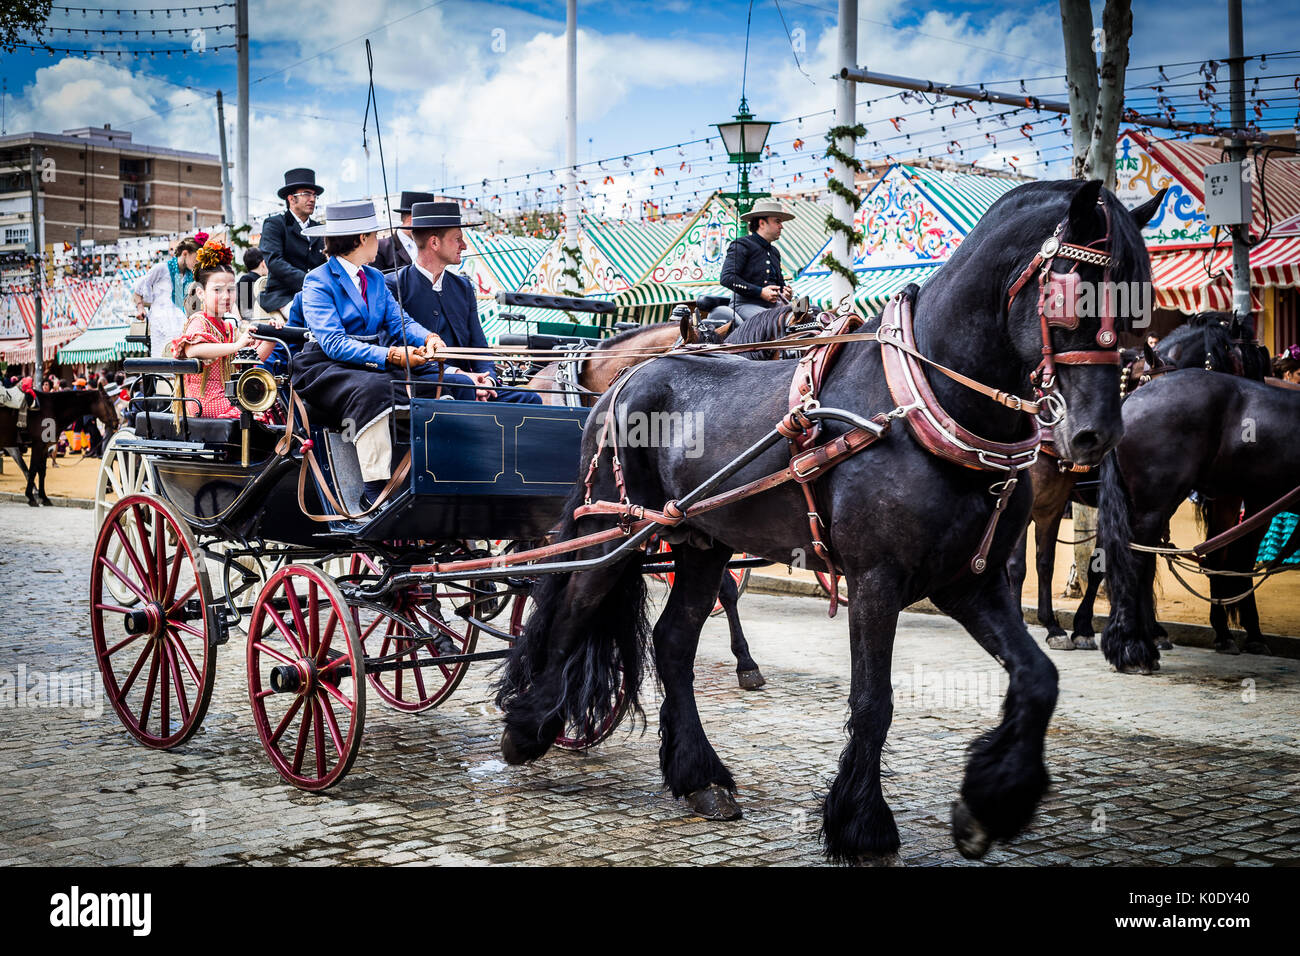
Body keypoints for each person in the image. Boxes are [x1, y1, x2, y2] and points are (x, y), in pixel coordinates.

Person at [293, 199, 447, 511]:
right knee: (376, 389)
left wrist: (430, 338)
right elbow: (333, 343)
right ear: (362, 238)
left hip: (371, 361)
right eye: (375, 234)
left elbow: (399, 320)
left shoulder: (374, 278)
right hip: (325, 366)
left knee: (440, 381)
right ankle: (374, 488)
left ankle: (433, 471)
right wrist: (392, 356)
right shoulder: (318, 281)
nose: (379, 240)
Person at [385, 201, 541, 405]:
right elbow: (395, 351)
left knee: (530, 398)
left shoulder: (462, 287)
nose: (464, 246)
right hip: (424, 385)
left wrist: (488, 380)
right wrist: (461, 375)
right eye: (458, 239)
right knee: (462, 388)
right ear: (434, 243)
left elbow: (479, 346)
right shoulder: (394, 285)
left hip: (471, 384)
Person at [170, 240, 276, 418]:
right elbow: (194, 349)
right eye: (217, 290)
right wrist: (236, 346)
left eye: (231, 290)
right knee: (255, 416)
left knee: (273, 408)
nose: (226, 296)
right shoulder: (198, 321)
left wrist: (271, 336)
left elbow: (251, 361)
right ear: (201, 293)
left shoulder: (227, 326)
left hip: (227, 397)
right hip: (204, 402)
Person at [258, 168, 326, 320]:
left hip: (317, 293)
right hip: (284, 295)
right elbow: (275, 262)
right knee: (315, 319)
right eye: (307, 194)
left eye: (315, 195)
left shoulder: (318, 228)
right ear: (291, 198)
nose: (313, 199)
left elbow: (325, 262)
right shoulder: (274, 224)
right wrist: (310, 281)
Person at [719, 198, 794, 322]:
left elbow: (779, 284)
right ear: (762, 223)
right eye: (777, 221)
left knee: (809, 314)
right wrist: (760, 292)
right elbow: (727, 278)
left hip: (772, 306)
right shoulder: (742, 245)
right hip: (743, 305)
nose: (781, 227)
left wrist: (784, 293)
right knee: (775, 321)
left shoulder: (774, 252)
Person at [132, 237, 202, 357]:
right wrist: (140, 308)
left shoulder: (190, 276)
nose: (196, 262)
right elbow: (138, 290)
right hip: (161, 321)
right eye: (195, 259)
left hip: (181, 321)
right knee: (161, 355)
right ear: (185, 253)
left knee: (179, 356)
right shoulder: (161, 269)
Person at [374, 190, 436, 274]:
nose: (430, 227)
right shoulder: (381, 248)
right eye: (427, 221)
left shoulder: (431, 247)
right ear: (412, 219)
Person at [237, 247, 268, 321]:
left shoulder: (244, 279)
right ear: (263, 263)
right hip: (255, 319)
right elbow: (246, 310)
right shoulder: (262, 282)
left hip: (248, 319)